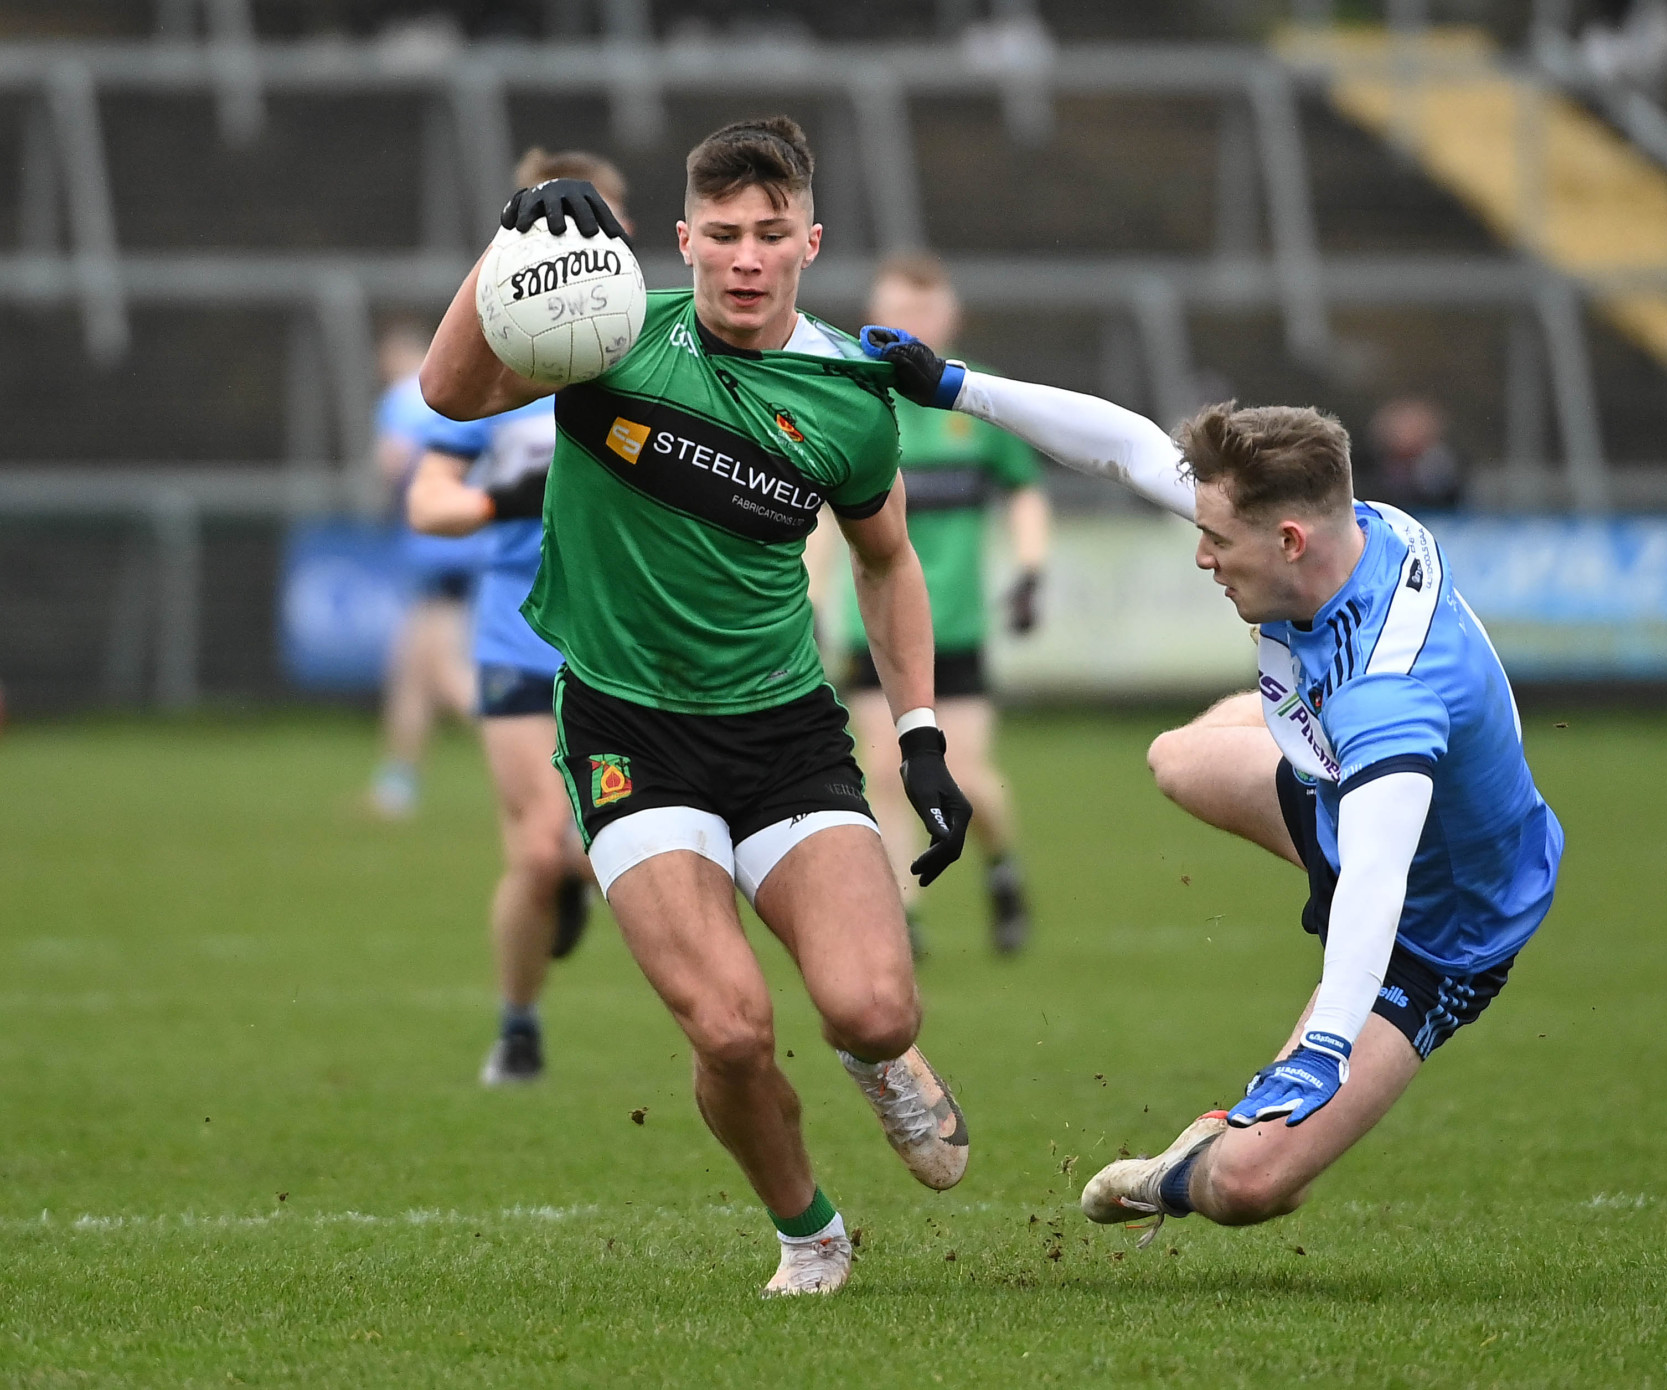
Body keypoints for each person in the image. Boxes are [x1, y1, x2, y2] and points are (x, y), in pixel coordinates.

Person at [420, 116, 974, 1298]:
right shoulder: (606, 337)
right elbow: (450, 391)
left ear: (810, 242)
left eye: (772, 233)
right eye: (722, 234)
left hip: (784, 732)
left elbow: (887, 562)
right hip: (628, 731)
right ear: (682, 240)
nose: (746, 258)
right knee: (728, 1027)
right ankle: (810, 1232)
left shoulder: (851, 396)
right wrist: (508, 247)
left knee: (877, 1008)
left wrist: (920, 736)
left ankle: (878, 1055)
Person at [862, 331, 1563, 1245]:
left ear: (1290, 540)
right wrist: (958, 387)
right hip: (1351, 804)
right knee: (1178, 758)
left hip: (1441, 923)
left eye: (1216, 541)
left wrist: (1325, 1046)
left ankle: (1188, 1159)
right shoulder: (1344, 525)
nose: (1201, 558)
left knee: (1248, 1187)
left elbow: (1379, 880)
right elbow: (1127, 448)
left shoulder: (1389, 693)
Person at [402, 146, 627, 1088]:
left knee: (606, 846)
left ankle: (577, 879)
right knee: (540, 851)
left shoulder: (652, 351)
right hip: (517, 634)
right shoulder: (494, 366)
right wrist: (506, 501)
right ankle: (519, 1027)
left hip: (620, 637)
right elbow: (427, 505)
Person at [809, 254, 1050, 957]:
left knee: (965, 774)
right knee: (886, 771)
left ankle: (1001, 866)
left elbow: (1024, 490)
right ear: (873, 317)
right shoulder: (853, 396)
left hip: (956, 628)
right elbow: (825, 517)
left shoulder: (978, 398)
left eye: (924, 310)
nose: (911, 323)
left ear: (951, 318)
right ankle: (903, 918)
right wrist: (814, 596)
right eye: (898, 310)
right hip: (876, 626)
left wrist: (1030, 571)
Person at [367, 321, 485, 819]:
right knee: (410, 673)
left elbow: (391, 463)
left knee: (445, 676)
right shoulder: (461, 391)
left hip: (434, 551)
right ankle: (397, 785)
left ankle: (540, 748)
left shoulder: (403, 397)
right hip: (466, 545)